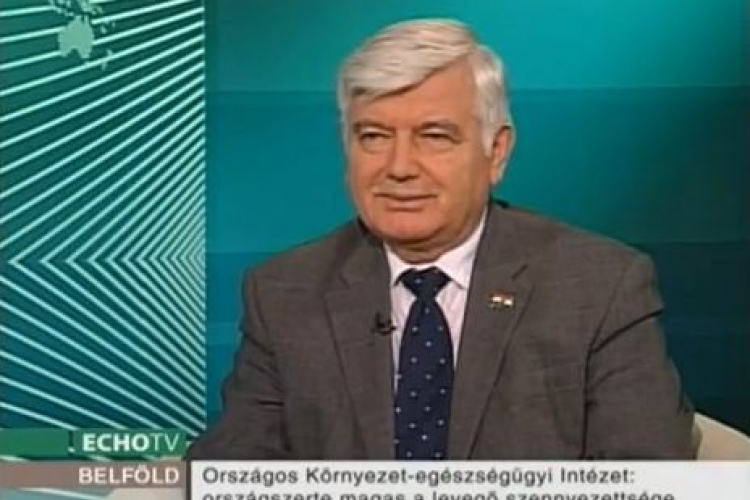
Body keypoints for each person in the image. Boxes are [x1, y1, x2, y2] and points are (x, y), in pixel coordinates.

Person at [188, 19, 694, 459]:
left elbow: (648, 474)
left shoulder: (600, 288)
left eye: (434, 136)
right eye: (373, 136)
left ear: (496, 152)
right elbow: (232, 473)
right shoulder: (285, 293)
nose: (399, 168)